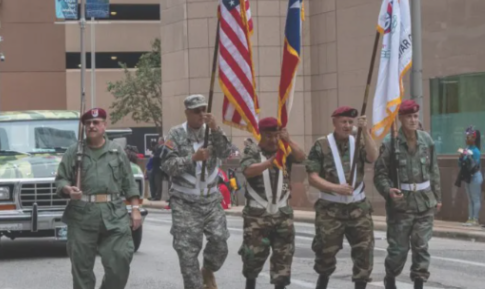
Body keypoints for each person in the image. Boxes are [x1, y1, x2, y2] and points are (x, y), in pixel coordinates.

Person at [54, 107, 141, 289]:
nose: (92, 126)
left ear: (104, 125)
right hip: (81, 216)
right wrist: (69, 190)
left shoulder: (117, 152)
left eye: (96, 122)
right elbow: (60, 180)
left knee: (120, 262)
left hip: (114, 215)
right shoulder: (73, 152)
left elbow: (129, 184)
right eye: (88, 123)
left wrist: (135, 210)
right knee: (81, 270)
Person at [161, 94, 232, 289]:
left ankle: (208, 269)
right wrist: (191, 158)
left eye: (203, 110)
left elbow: (227, 153)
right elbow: (167, 165)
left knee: (220, 242)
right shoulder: (175, 134)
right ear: (187, 113)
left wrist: (216, 128)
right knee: (187, 253)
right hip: (185, 201)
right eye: (196, 111)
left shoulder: (213, 132)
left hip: (210, 199)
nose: (201, 115)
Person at [305, 106, 379, 289]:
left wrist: (366, 132)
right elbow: (312, 177)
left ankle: (360, 284)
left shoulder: (358, 142)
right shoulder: (321, 145)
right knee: (325, 252)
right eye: (343, 122)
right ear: (334, 123)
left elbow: (372, 156)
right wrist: (335, 188)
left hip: (358, 208)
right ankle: (322, 281)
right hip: (331, 209)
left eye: (350, 122)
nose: (347, 125)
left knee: (364, 250)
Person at [374, 100, 441, 289]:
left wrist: (438, 197)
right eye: (408, 116)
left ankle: (419, 282)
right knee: (399, 250)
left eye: (415, 116)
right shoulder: (390, 143)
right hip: (401, 205)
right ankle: (391, 277)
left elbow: (433, 169)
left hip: (425, 202)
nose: (413, 120)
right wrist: (388, 190)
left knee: (421, 245)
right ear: (400, 119)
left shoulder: (426, 140)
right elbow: (380, 174)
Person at [238, 117, 306, 289]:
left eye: (276, 136)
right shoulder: (252, 150)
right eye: (269, 136)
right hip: (257, 216)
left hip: (282, 214)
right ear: (261, 135)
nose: (273, 140)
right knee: (252, 261)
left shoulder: (284, 149)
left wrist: (288, 140)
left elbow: (302, 157)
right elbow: (247, 170)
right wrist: (270, 162)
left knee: (283, 262)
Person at [456, 127, 482, 226]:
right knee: (470, 199)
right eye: (466, 137)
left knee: (475, 198)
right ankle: (470, 218)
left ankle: (475, 218)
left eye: (469, 137)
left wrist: (467, 159)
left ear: (474, 138)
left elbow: (474, 165)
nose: (466, 139)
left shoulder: (476, 151)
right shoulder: (466, 149)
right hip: (467, 176)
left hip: (474, 176)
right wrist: (461, 158)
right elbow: (460, 164)